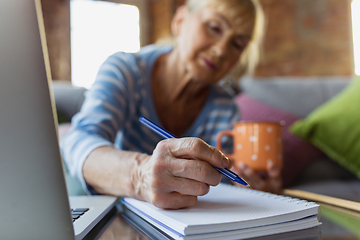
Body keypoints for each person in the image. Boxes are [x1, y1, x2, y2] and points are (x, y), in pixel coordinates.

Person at [61, 0, 282, 210]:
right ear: (180, 20)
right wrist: (139, 175)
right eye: (214, 27)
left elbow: (219, 187)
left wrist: (256, 190)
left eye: (237, 43)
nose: (222, 50)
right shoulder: (125, 72)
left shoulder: (225, 109)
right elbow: (79, 142)